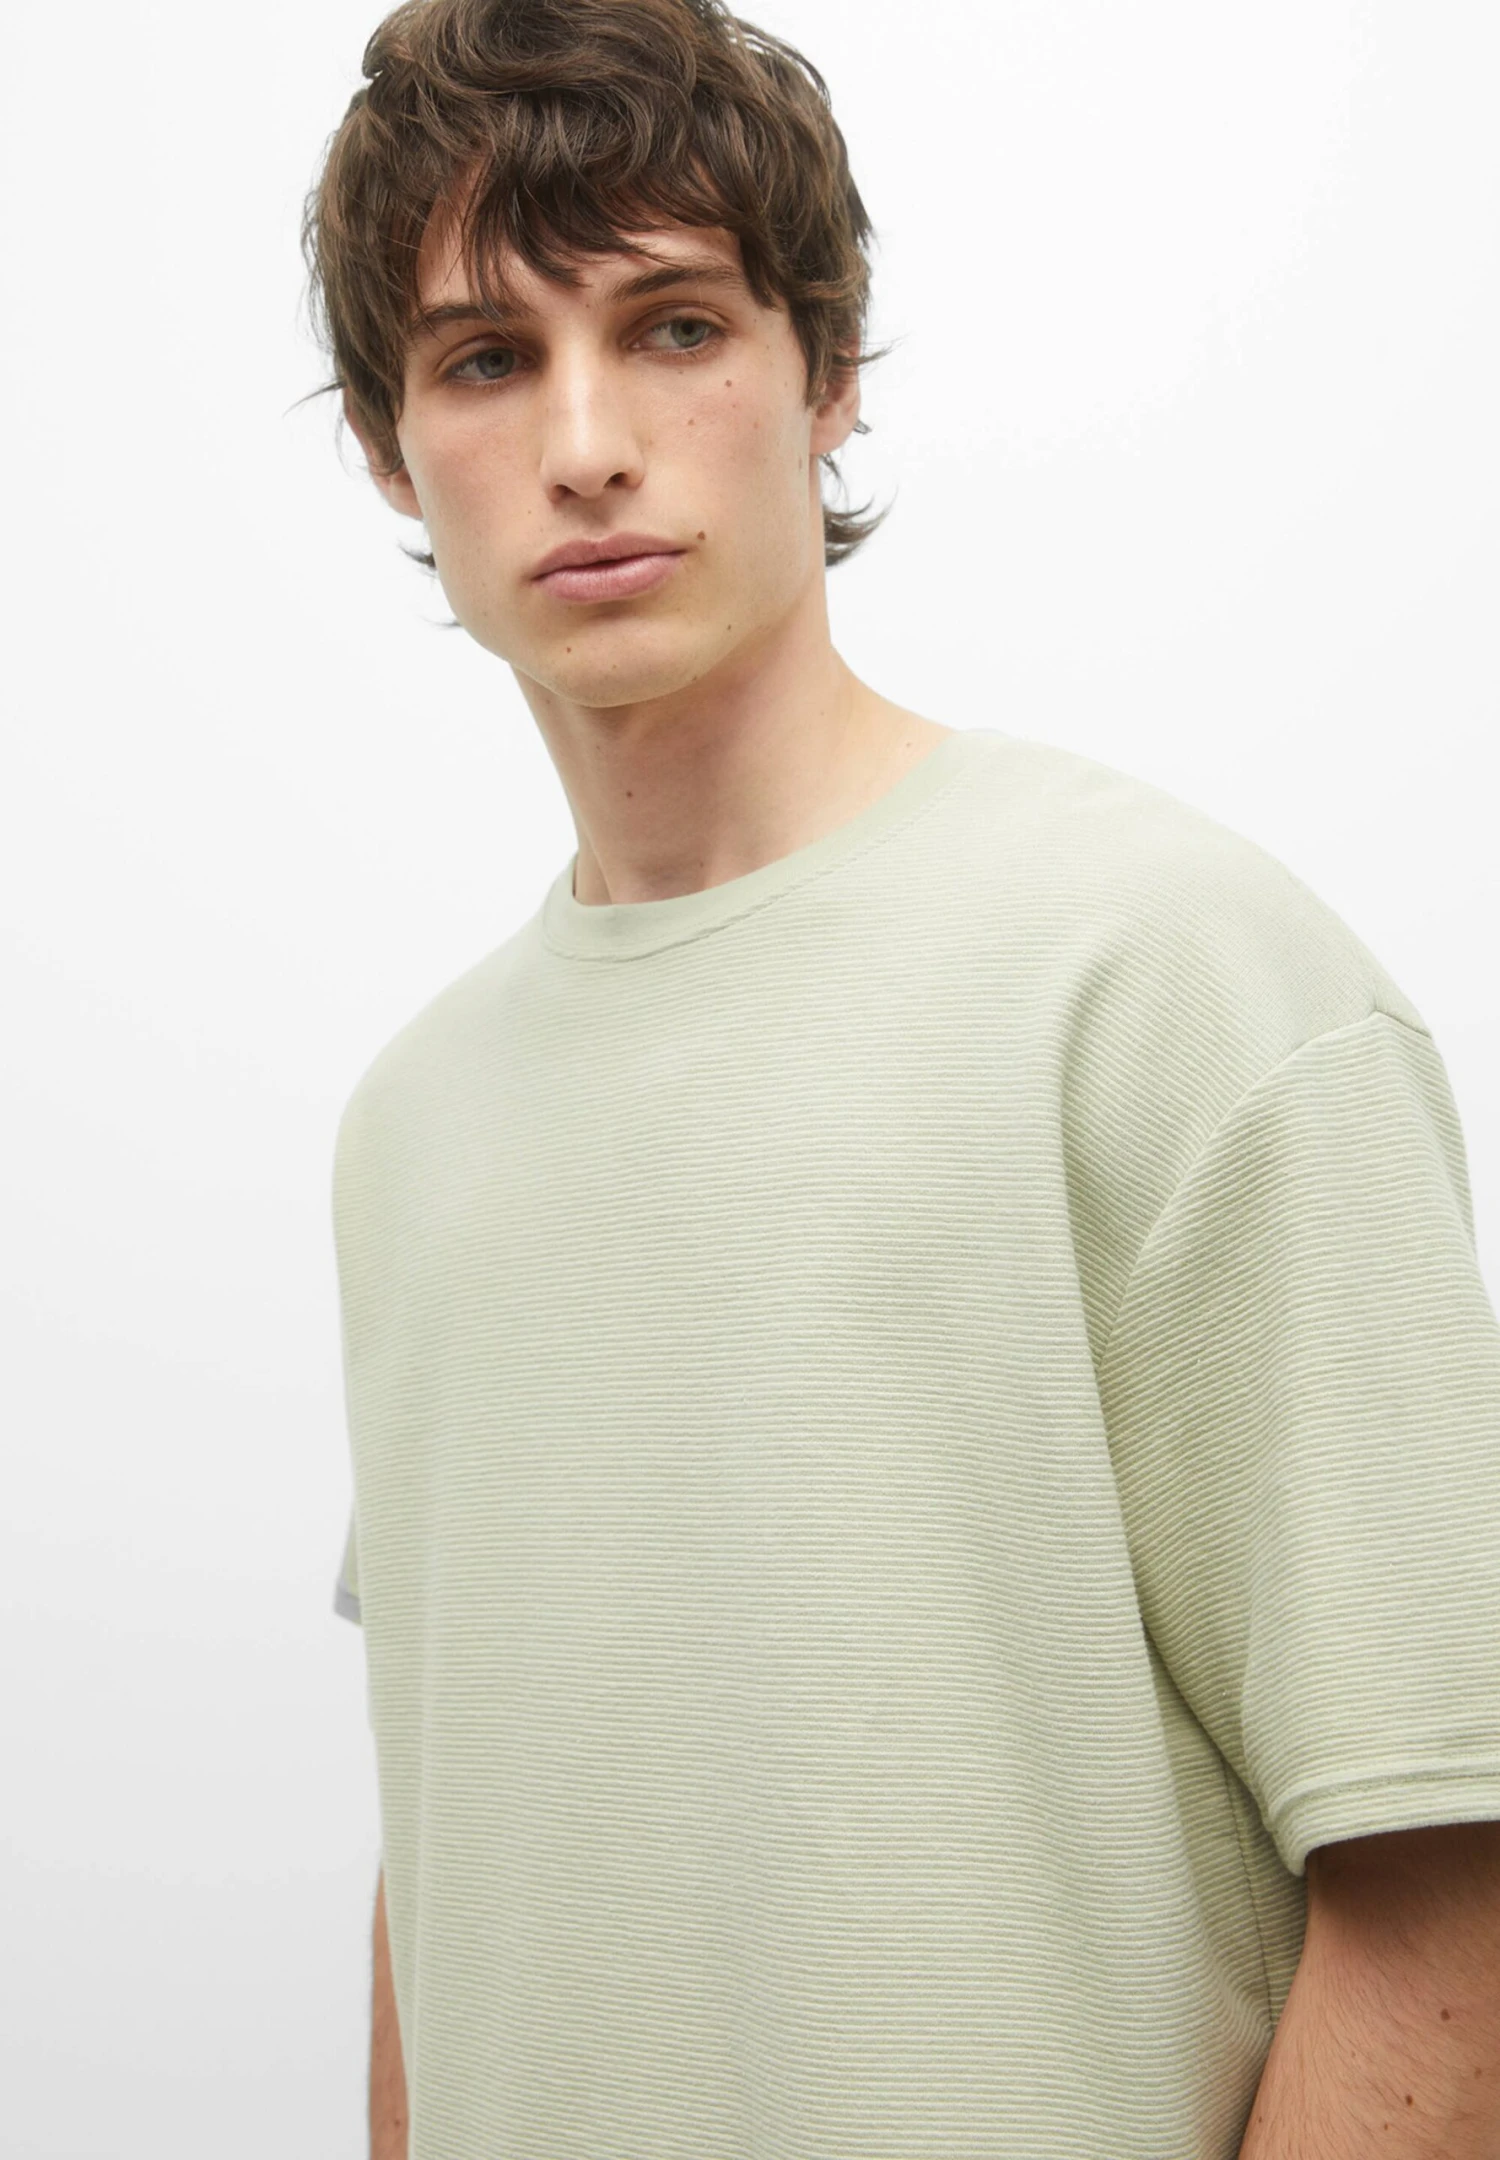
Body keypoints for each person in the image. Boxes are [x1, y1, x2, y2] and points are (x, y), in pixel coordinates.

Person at [301, 2, 1500, 2154]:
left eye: (674, 327)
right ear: (395, 453)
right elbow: (458, 1858)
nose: (586, 442)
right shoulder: (414, 1129)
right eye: (485, 359)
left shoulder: (1169, 974)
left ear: (827, 368)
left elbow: (1453, 1868)